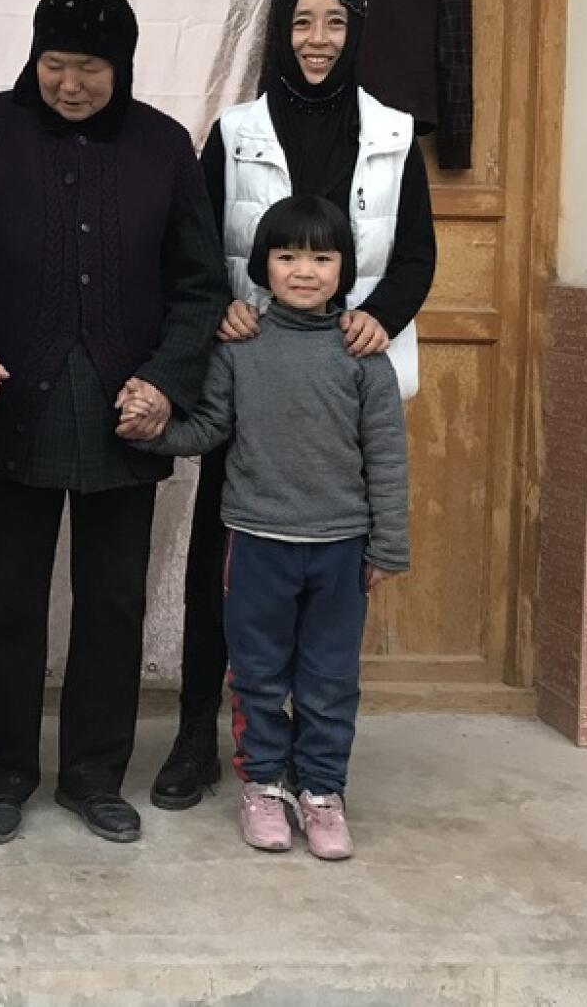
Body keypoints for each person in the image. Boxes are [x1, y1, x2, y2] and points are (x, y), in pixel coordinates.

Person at [0, 0, 227, 847]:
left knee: (113, 602)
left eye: (89, 67)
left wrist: (165, 379)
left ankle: (92, 778)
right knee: (6, 598)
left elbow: (200, 287)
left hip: (126, 415)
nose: (71, 84)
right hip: (13, 405)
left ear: (120, 65)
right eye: (55, 64)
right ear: (33, 58)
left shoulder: (163, 148)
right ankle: (1, 776)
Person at [151, 0, 436, 811]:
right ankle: (197, 734)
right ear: (283, 33)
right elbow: (196, 243)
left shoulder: (391, 134)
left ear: (356, 35)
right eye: (303, 23)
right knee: (222, 565)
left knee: (328, 568)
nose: (317, 41)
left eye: (335, 25)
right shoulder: (236, 131)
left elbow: (416, 250)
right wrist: (217, 318)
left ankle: (312, 760)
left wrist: (379, 315)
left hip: (339, 372)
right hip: (248, 371)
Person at [136, 194, 410, 860]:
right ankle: (262, 786)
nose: (305, 270)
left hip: (341, 550)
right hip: (255, 544)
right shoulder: (241, 347)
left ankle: (321, 793)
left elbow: (387, 455)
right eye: (288, 256)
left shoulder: (363, 354)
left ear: (344, 267)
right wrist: (153, 432)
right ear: (263, 265)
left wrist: (388, 544)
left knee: (328, 678)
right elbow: (210, 430)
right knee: (256, 674)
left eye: (322, 256)